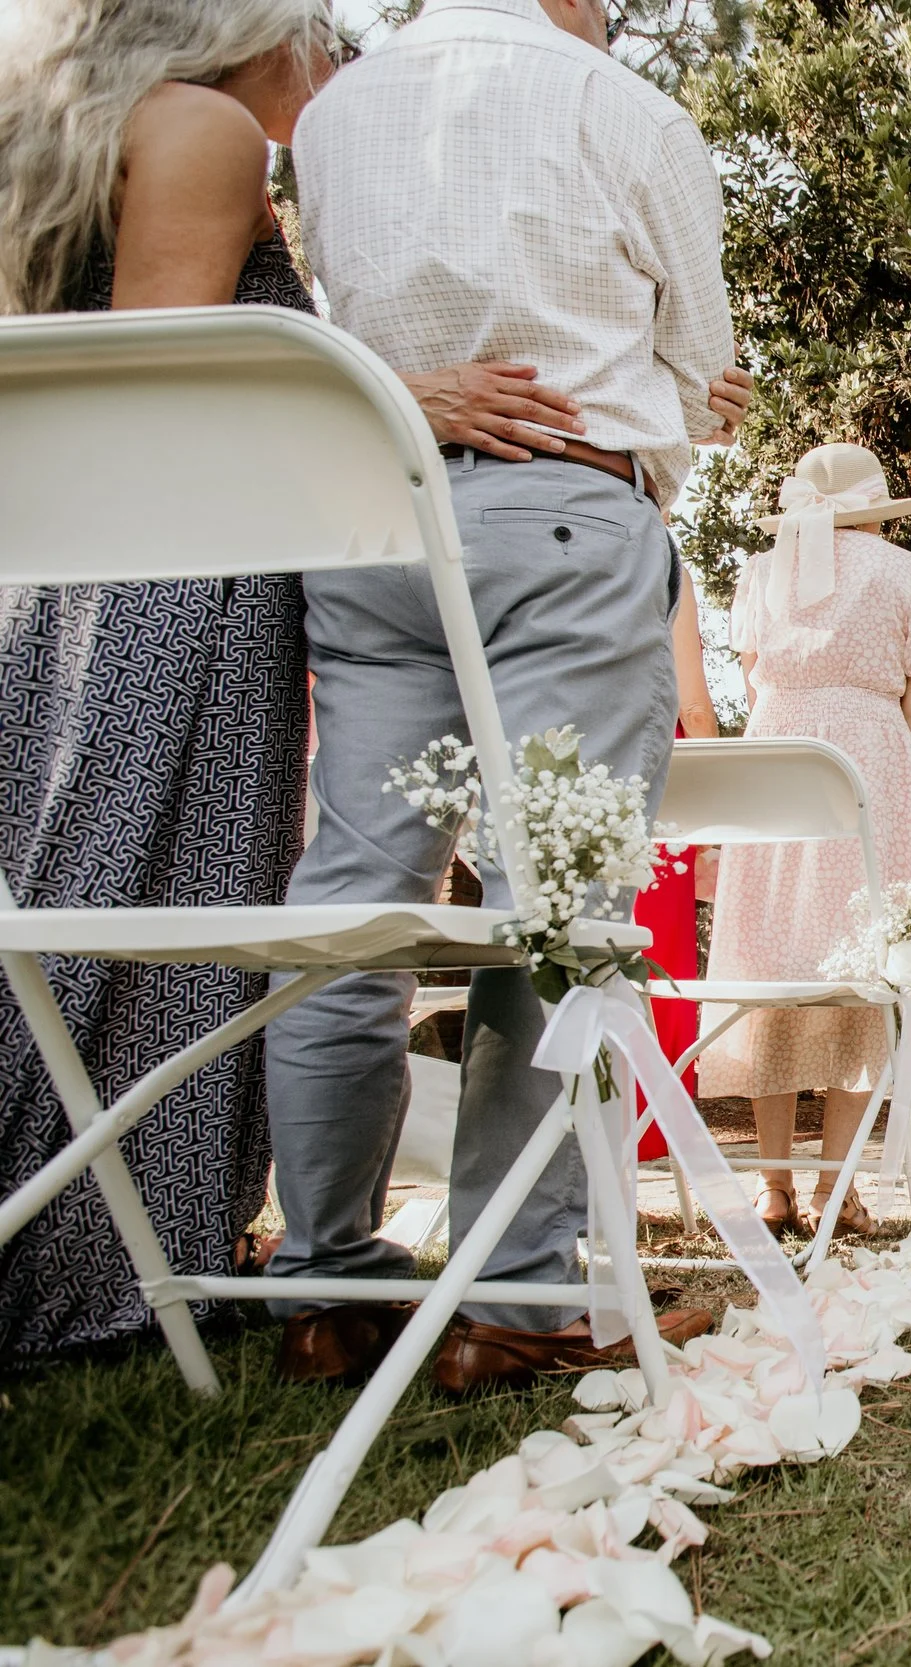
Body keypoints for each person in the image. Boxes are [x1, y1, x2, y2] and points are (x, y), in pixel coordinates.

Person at [0, 0, 597, 1361]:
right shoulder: (205, 128)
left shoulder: (85, 145)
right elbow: (156, 375)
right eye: (326, 34)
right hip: (170, 599)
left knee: (73, 895)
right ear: (251, 33)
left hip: (63, 591)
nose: (342, 67)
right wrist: (407, 395)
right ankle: (97, 1272)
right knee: (149, 902)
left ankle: (118, 1248)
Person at [269, 0, 752, 1393]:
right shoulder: (629, 111)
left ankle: (326, 1283)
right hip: (563, 510)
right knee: (560, 901)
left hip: (370, 519)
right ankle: (514, 1294)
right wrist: (657, 402)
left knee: (356, 890)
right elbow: (706, 364)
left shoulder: (343, 108)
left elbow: (341, 327)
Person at [705, 443, 911, 1236]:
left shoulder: (760, 573)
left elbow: (751, 680)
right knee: (868, 968)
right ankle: (832, 1190)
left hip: (775, 764)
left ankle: (774, 1187)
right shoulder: (905, 573)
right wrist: (887, 773)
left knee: (774, 969)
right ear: (872, 508)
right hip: (869, 763)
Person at [632, 566, 721, 1163]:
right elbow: (691, 698)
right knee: (656, 953)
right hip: (657, 761)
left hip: (573, 747)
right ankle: (650, 1123)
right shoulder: (661, 561)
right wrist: (715, 810)